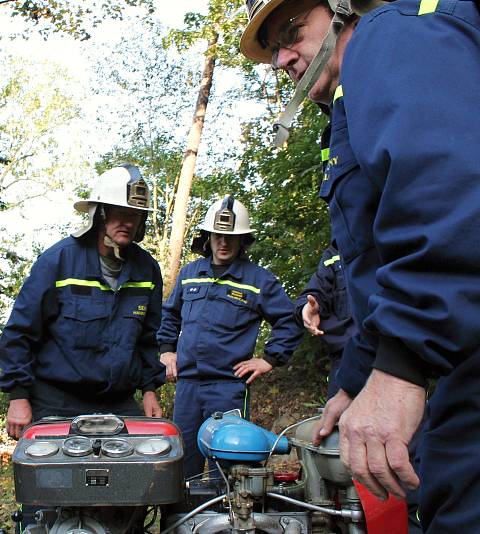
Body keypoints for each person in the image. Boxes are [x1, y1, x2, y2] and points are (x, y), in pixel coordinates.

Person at [241, 0, 480, 530]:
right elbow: (376, 263)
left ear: (341, 8)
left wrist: (400, 367)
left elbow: (453, 201)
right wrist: (353, 382)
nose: (282, 59)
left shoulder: (390, 36)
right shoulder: (354, 100)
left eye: (291, 31)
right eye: (273, 50)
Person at [0, 164, 165, 441]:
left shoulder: (146, 270)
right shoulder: (58, 262)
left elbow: (148, 339)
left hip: (118, 401)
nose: (127, 221)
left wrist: (149, 390)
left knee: (133, 477)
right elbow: (20, 332)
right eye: (120, 212)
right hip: (56, 400)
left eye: (135, 214)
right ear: (100, 213)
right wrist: (18, 396)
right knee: (55, 481)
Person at [157, 195, 302, 478]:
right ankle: (181, 521)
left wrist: (270, 359)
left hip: (227, 389)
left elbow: (290, 319)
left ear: (243, 241)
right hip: (187, 387)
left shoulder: (258, 280)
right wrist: (166, 349)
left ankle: (227, 522)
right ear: (208, 237)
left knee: (227, 470)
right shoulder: (189, 274)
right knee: (181, 469)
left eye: (231, 238)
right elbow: (170, 315)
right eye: (218, 236)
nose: (224, 243)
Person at [294, 244, 356, 399]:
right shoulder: (334, 254)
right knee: (338, 421)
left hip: (393, 357)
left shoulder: (390, 238)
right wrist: (307, 308)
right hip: (346, 361)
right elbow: (317, 290)